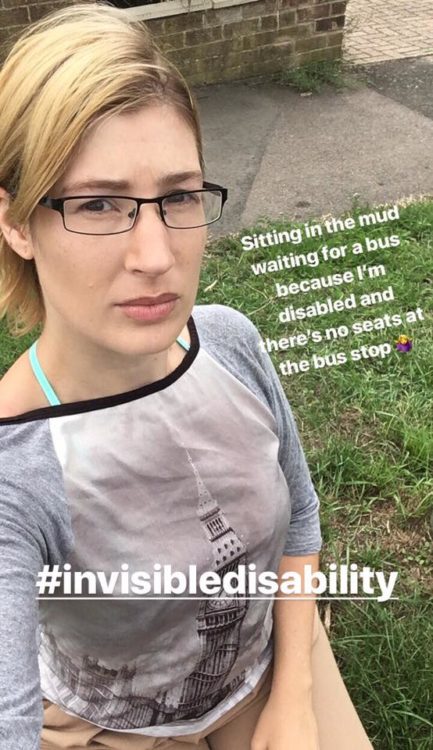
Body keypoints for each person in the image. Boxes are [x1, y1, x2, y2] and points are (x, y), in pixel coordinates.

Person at [0, 4, 374, 749]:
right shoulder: (16, 471)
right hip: (104, 722)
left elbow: (299, 517)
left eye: (177, 197)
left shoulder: (230, 342)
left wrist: (294, 697)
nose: (155, 254)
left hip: (261, 670)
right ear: (15, 223)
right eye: (99, 204)